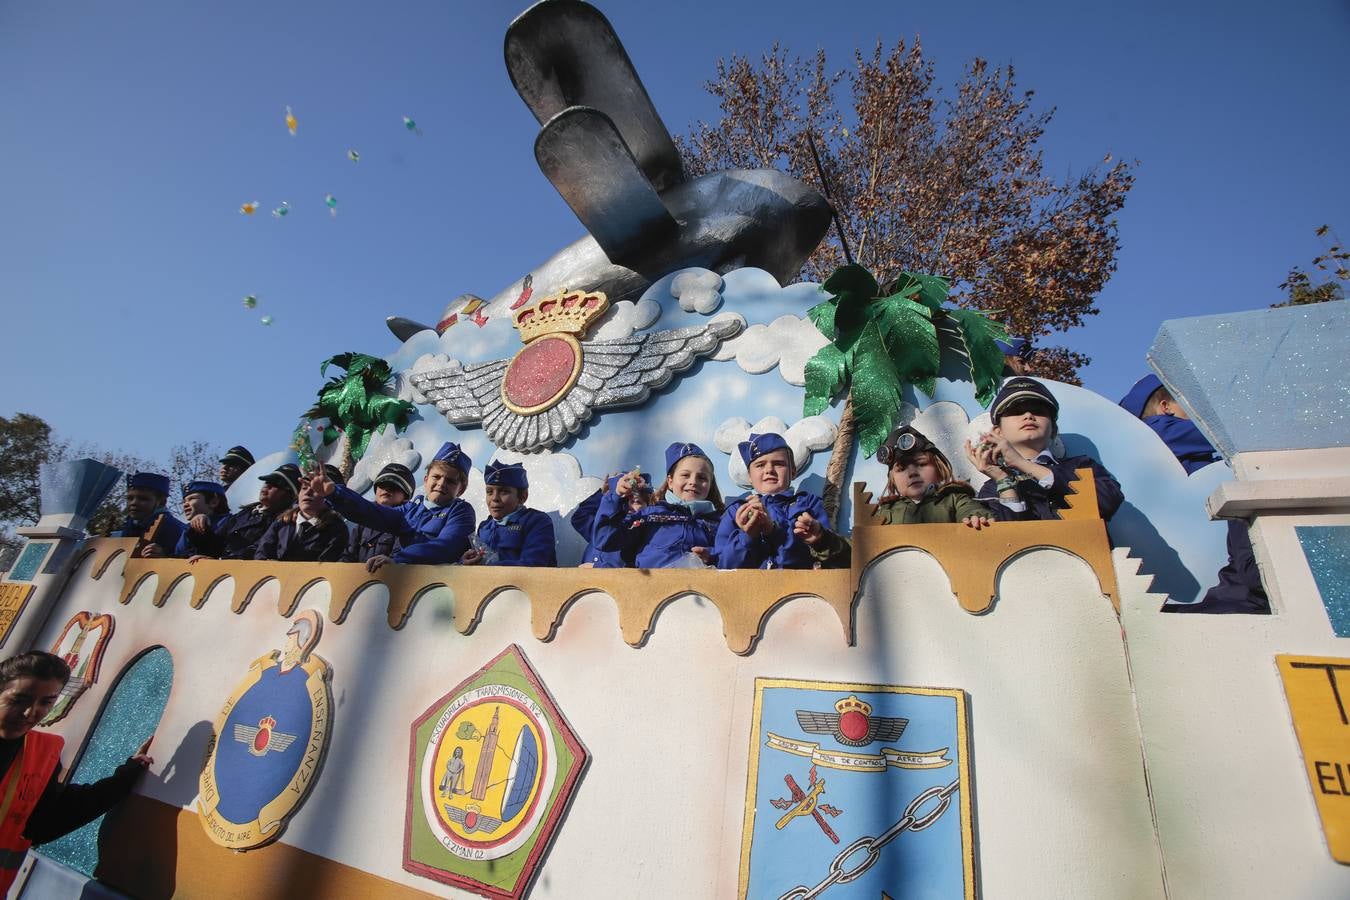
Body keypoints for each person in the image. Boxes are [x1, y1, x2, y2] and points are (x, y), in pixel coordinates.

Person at [0, 652, 153, 893]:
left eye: (46, 702)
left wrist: (128, 774)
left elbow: (51, 817)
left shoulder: (39, 754)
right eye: (19, 699)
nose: (31, 712)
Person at [1120, 374, 1268, 614]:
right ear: (1165, 407)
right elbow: (1232, 436)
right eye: (1190, 404)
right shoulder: (1161, 429)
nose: (1200, 413)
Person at [966, 377, 1123, 521]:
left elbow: (1107, 501)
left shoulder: (1081, 465)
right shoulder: (993, 486)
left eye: (1039, 411)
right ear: (997, 432)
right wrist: (1003, 481)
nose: (1028, 415)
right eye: (1016, 412)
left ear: (1054, 430)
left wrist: (1022, 463)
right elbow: (1004, 536)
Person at [312, 442, 475, 572]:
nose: (441, 484)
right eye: (437, 477)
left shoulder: (461, 512)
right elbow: (371, 513)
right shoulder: (411, 509)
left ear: (460, 489)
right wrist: (334, 492)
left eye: (451, 481)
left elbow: (445, 546)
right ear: (425, 480)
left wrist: (399, 559)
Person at [715, 432, 839, 569]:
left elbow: (825, 555)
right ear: (749, 476)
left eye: (778, 464)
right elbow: (723, 566)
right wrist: (747, 536)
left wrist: (774, 531)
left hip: (799, 587)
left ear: (793, 472)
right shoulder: (736, 511)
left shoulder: (809, 504)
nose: (769, 470)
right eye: (760, 465)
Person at [594, 443, 723, 568]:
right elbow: (605, 540)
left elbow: (731, 556)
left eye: (702, 478)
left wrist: (712, 555)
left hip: (698, 588)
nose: (693, 482)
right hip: (653, 587)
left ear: (710, 485)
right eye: (685, 475)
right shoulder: (649, 516)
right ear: (670, 481)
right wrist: (616, 497)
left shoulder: (719, 523)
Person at [184, 463, 300, 560]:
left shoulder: (284, 522)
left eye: (275, 484)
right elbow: (216, 543)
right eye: (266, 481)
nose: (267, 486)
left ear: (288, 494)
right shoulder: (245, 513)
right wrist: (200, 528)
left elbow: (259, 550)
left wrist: (221, 561)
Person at [461, 461, 556, 566]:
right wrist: (466, 562)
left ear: (522, 497)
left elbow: (533, 564)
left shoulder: (536, 522)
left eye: (504, 492)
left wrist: (487, 568)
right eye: (489, 492)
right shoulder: (485, 526)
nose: (494, 498)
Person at [254, 467, 349, 562]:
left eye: (316, 489)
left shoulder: (337, 530)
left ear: (330, 497)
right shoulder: (282, 522)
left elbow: (326, 567)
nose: (307, 493)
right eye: (304, 488)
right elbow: (262, 553)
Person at [570, 473, 650, 567]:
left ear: (648, 505)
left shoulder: (642, 532)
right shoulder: (602, 526)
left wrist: (596, 567)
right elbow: (580, 518)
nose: (629, 506)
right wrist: (604, 495)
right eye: (624, 499)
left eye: (636, 502)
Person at [342, 463, 416, 564]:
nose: (386, 489)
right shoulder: (363, 523)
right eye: (382, 484)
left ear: (406, 497)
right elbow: (347, 556)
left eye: (394, 487)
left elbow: (399, 558)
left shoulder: (408, 523)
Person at [140, 481, 229, 559]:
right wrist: (163, 556)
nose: (185, 504)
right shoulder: (187, 529)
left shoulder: (230, 522)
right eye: (184, 501)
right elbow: (181, 557)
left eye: (192, 499)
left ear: (214, 502)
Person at [114, 472, 185, 558]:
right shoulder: (128, 526)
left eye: (143, 498)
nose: (134, 503)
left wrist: (164, 558)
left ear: (162, 502)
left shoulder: (177, 529)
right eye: (130, 498)